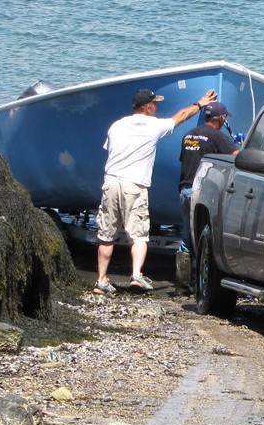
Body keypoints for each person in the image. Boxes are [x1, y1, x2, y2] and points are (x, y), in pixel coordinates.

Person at [93, 87, 215, 295]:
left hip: (111, 182)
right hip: (135, 184)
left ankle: (101, 280)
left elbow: (110, 149)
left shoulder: (117, 125)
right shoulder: (153, 125)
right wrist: (199, 104)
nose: (157, 107)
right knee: (139, 235)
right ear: (148, 108)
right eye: (155, 104)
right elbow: (181, 116)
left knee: (106, 235)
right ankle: (137, 276)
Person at [175, 100, 239, 293]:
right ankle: (202, 282)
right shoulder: (218, 137)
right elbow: (238, 157)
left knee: (187, 235)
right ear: (219, 118)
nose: (224, 120)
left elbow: (184, 160)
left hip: (184, 189)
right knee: (206, 237)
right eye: (224, 117)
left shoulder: (188, 135)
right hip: (201, 192)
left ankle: (182, 283)